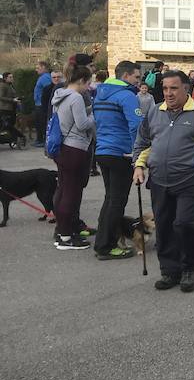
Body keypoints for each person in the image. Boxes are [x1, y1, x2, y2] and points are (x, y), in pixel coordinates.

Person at [132, 70, 194, 293]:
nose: (168, 93)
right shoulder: (154, 112)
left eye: (173, 88)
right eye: (164, 89)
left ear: (186, 89)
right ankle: (169, 270)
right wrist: (138, 166)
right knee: (163, 226)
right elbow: (142, 141)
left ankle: (189, 268)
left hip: (190, 180)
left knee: (185, 224)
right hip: (160, 180)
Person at [92, 61, 144, 261]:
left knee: (110, 199)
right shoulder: (127, 95)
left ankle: (102, 242)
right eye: (137, 77)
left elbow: (97, 123)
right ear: (125, 76)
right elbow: (136, 126)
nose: (139, 82)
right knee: (117, 201)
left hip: (103, 151)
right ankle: (107, 246)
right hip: (121, 153)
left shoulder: (100, 93)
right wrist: (136, 152)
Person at [50, 66, 96, 250]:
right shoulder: (76, 98)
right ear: (81, 80)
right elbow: (82, 123)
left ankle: (62, 232)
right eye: (88, 82)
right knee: (71, 193)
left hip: (63, 147)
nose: (89, 86)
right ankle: (66, 236)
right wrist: (93, 115)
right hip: (75, 147)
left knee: (63, 190)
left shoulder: (60, 95)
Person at [32, 61, 53, 147]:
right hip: (39, 103)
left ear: (43, 67)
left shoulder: (45, 78)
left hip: (41, 104)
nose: (36, 70)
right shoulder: (42, 77)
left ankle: (43, 140)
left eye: (38, 68)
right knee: (38, 123)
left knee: (42, 123)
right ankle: (40, 139)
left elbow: (48, 90)